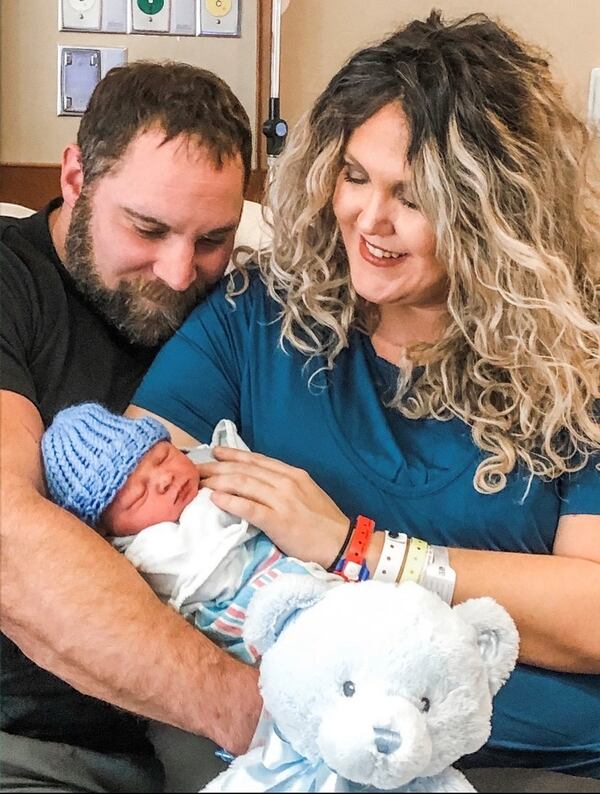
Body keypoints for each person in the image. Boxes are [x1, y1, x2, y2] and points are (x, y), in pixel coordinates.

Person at [129, 9, 600, 785]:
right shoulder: (258, 315)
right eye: (354, 176)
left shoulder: (575, 360)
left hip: (536, 758)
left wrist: (359, 550)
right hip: (303, 747)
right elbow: (131, 499)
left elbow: (590, 616)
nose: (369, 222)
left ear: (497, 213)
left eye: (413, 197)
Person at [0, 61, 261, 793]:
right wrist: (254, 710)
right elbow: (7, 540)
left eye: (213, 238)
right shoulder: (12, 289)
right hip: (37, 742)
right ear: (77, 176)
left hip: (214, 749)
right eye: (147, 229)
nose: (180, 273)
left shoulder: (236, 307)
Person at [41, 403, 330, 663]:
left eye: (163, 457)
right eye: (138, 496)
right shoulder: (150, 553)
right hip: (260, 621)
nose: (165, 479)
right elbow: (213, 572)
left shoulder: (204, 466)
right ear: (110, 532)